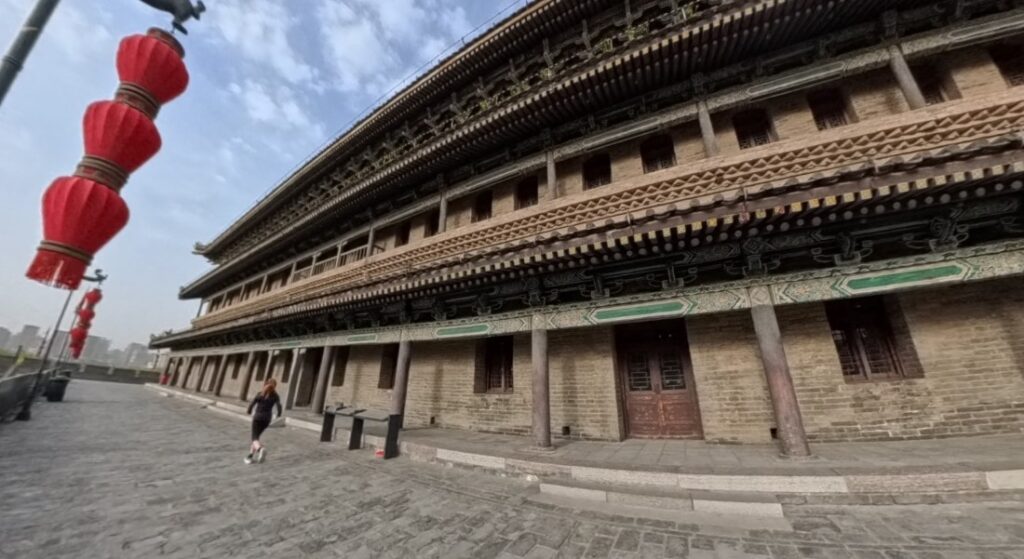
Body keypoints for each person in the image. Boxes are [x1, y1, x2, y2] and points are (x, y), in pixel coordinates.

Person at [245, 378, 282, 464]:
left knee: (254, 437)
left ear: (266, 384)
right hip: (267, 419)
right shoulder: (275, 396)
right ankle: (250, 455)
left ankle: (260, 449)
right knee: (256, 437)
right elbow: (279, 406)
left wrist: (249, 411)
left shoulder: (260, 394)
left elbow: (252, 403)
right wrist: (279, 414)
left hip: (258, 417)